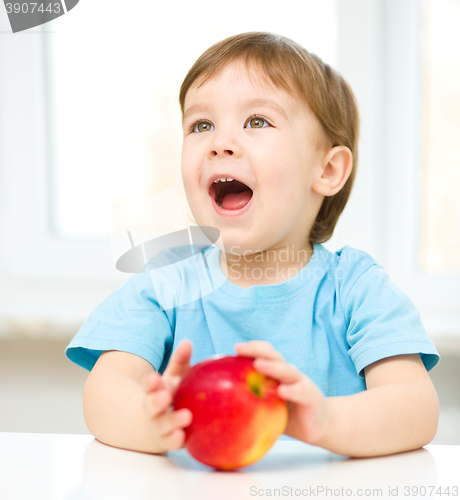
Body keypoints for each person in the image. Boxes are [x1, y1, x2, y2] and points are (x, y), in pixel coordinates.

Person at [66, 32, 440, 458]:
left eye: (257, 121)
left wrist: (327, 420)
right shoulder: (165, 284)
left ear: (329, 169)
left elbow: (416, 407)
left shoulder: (356, 288)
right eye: (201, 125)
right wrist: (151, 422)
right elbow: (105, 390)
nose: (219, 142)